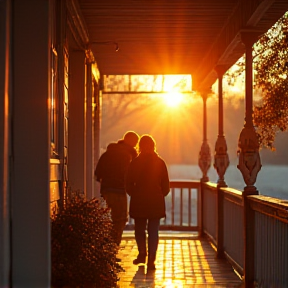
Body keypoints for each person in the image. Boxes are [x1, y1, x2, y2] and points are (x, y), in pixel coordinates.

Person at [125, 134, 170, 270]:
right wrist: (160, 194)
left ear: (140, 147)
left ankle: (142, 254)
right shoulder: (160, 162)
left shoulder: (135, 162)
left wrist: (134, 193)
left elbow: (128, 183)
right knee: (153, 231)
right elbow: (166, 186)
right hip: (155, 201)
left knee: (139, 230)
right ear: (153, 146)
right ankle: (151, 259)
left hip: (139, 201)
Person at [94, 131, 139, 246]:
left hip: (106, 190)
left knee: (109, 217)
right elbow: (133, 173)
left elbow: (98, 173)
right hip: (119, 190)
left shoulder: (109, 152)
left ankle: (105, 245)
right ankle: (112, 247)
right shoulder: (130, 155)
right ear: (132, 142)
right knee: (120, 219)